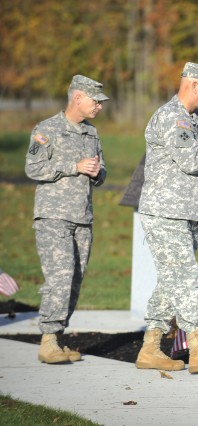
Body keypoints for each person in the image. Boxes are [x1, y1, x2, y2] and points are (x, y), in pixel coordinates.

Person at [135, 62, 198, 374]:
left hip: (189, 213)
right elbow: (192, 160)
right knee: (187, 277)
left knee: (170, 282)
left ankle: (150, 349)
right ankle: (197, 346)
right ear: (194, 85)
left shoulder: (196, 120)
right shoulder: (171, 117)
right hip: (166, 213)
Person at [25, 75, 109, 364]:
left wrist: (98, 172)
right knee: (60, 276)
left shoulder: (92, 134)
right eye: (95, 101)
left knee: (74, 280)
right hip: (53, 215)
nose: (99, 106)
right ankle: (48, 340)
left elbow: (101, 172)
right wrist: (73, 166)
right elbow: (33, 167)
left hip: (82, 217)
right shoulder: (47, 129)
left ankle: (58, 339)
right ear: (77, 98)